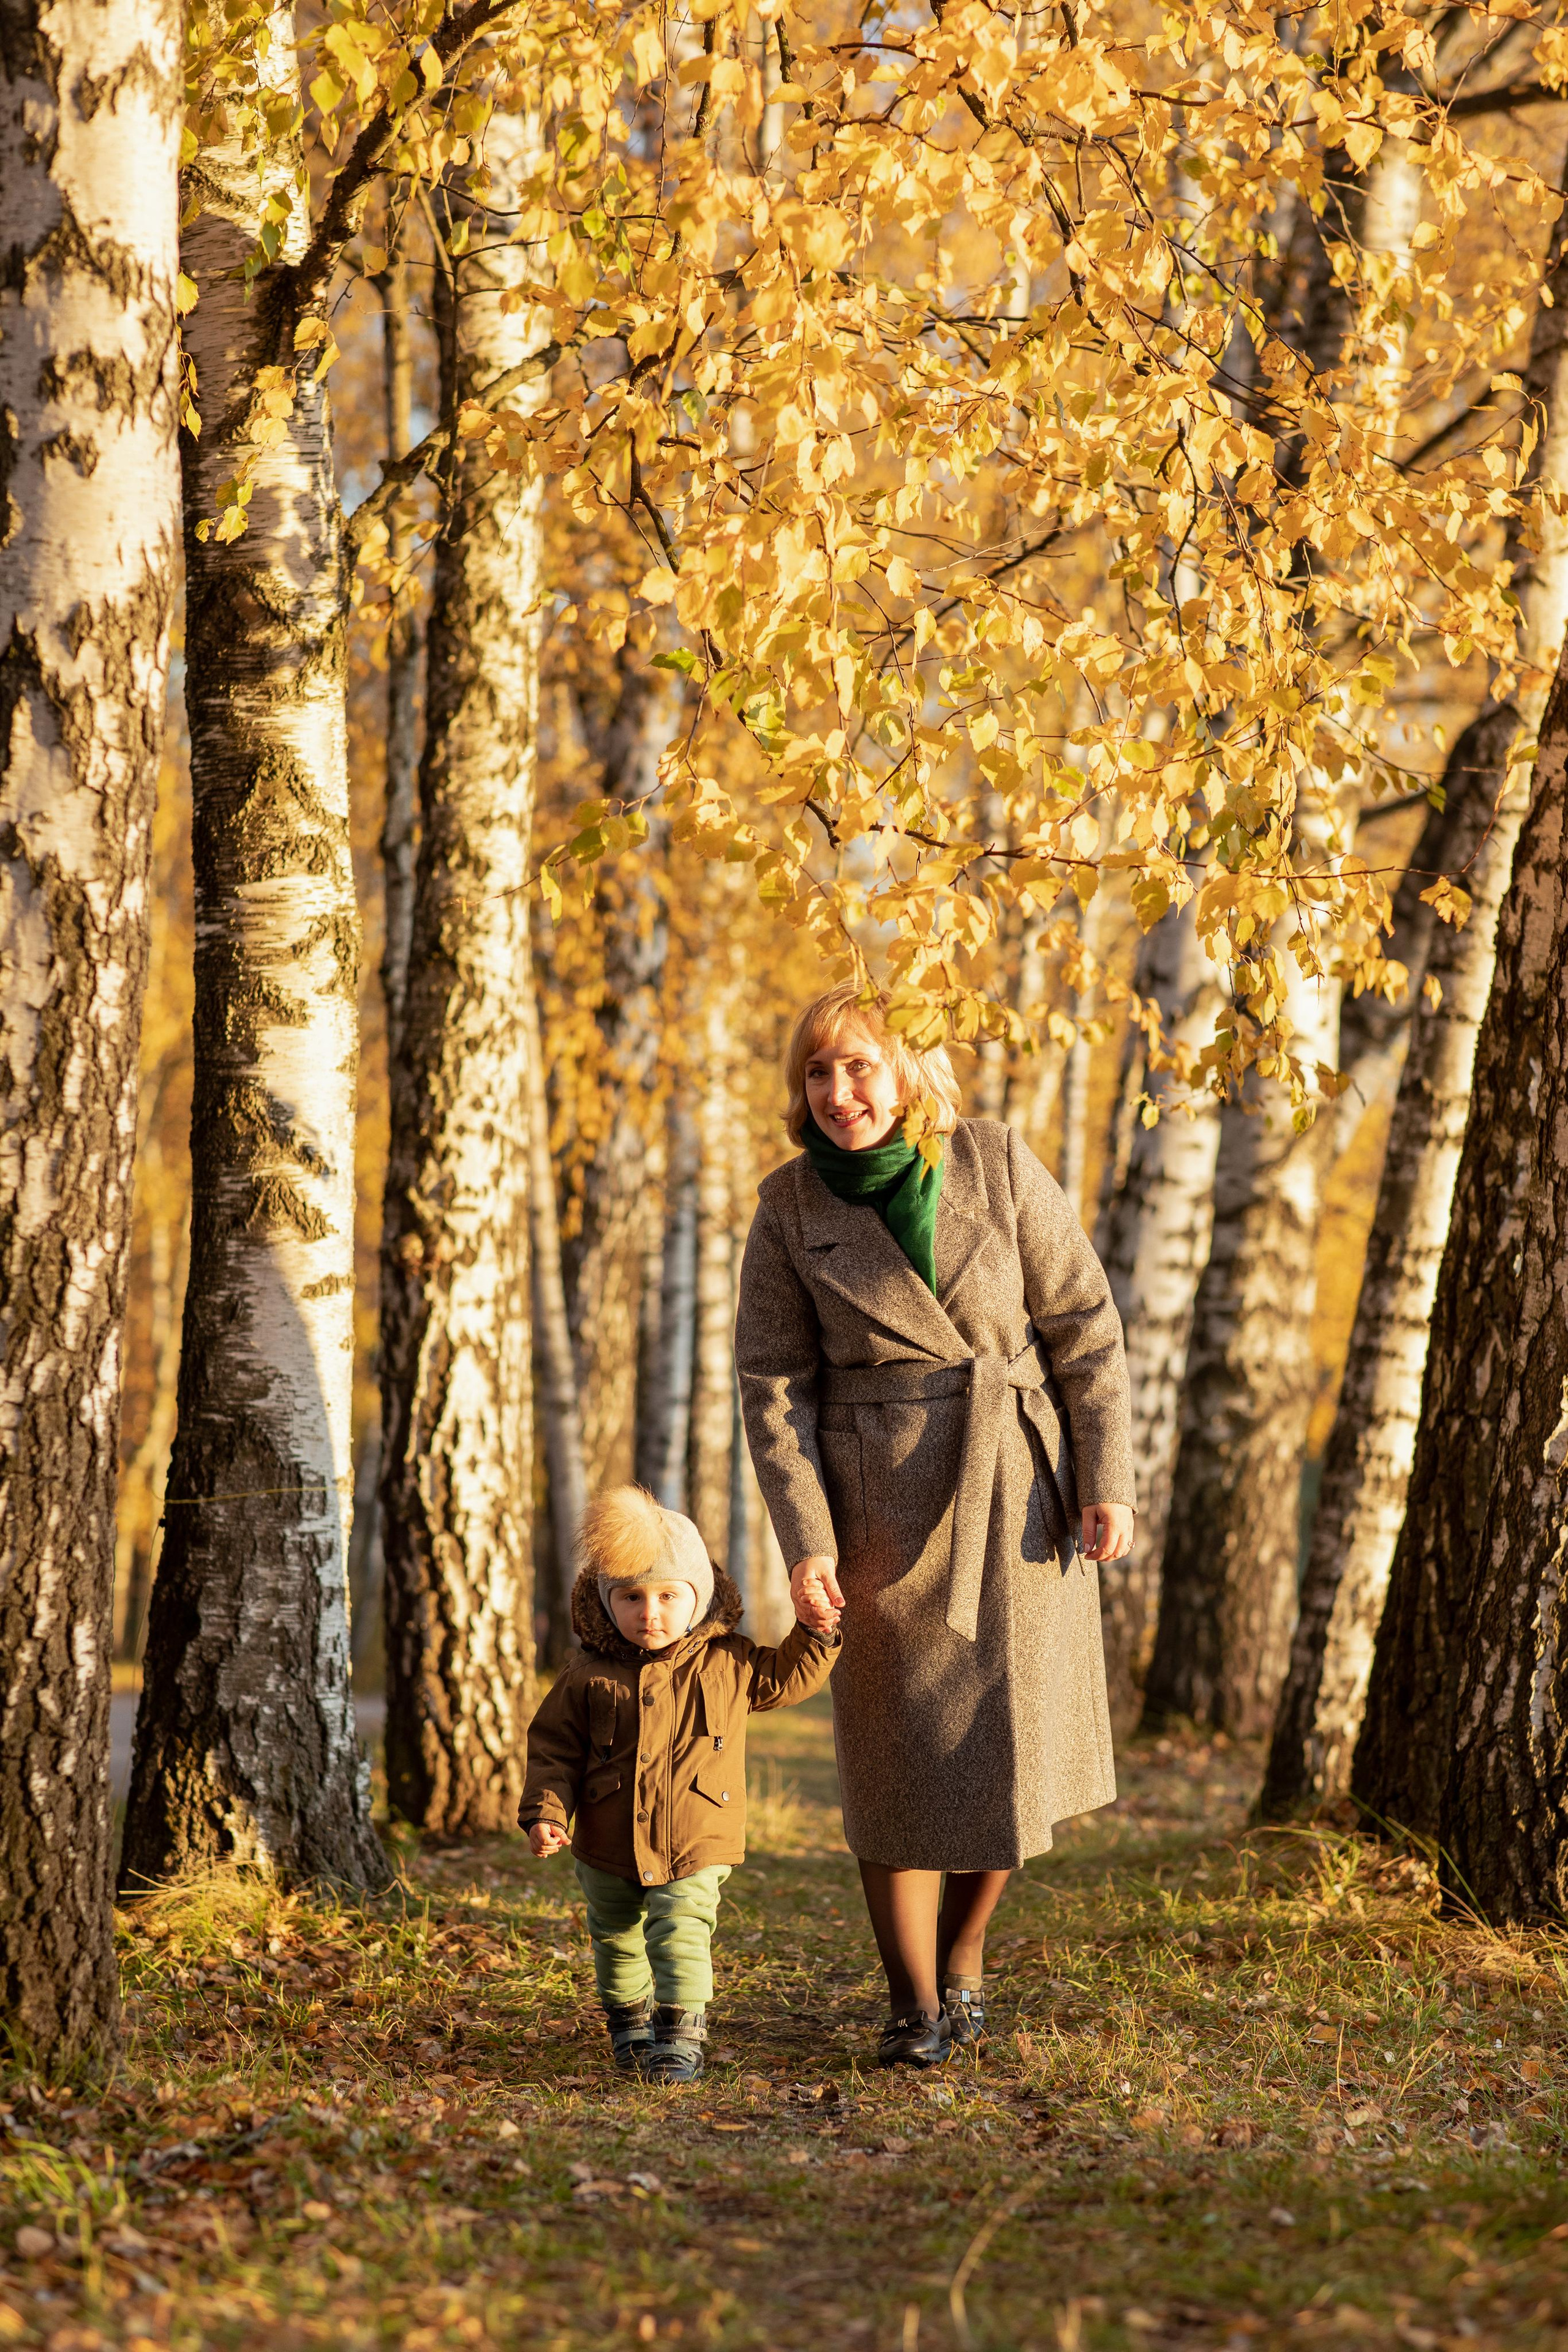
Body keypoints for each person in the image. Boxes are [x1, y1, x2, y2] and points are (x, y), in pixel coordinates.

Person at [734, 984, 1135, 2068]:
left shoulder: (997, 1163)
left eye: (859, 1066)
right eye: (819, 1072)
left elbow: (1085, 1325)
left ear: (908, 1071)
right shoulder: (789, 1208)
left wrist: (1109, 1474)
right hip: (881, 1512)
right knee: (896, 1758)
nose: (838, 1092)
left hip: (1017, 1491)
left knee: (1009, 1748)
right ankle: (912, 2004)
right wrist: (806, 1540)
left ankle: (964, 1954)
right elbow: (773, 1388)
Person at [519, 1485, 840, 2082]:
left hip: (697, 1835)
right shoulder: (587, 1674)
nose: (650, 1613)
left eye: (669, 1596)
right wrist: (547, 1813)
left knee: (681, 1932)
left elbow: (787, 1680)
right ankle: (630, 2025)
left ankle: (680, 2037)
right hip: (606, 1841)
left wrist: (815, 1634)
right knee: (615, 1937)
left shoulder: (728, 1661)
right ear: (603, 1601)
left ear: (698, 1597)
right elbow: (554, 1751)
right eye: (631, 1597)